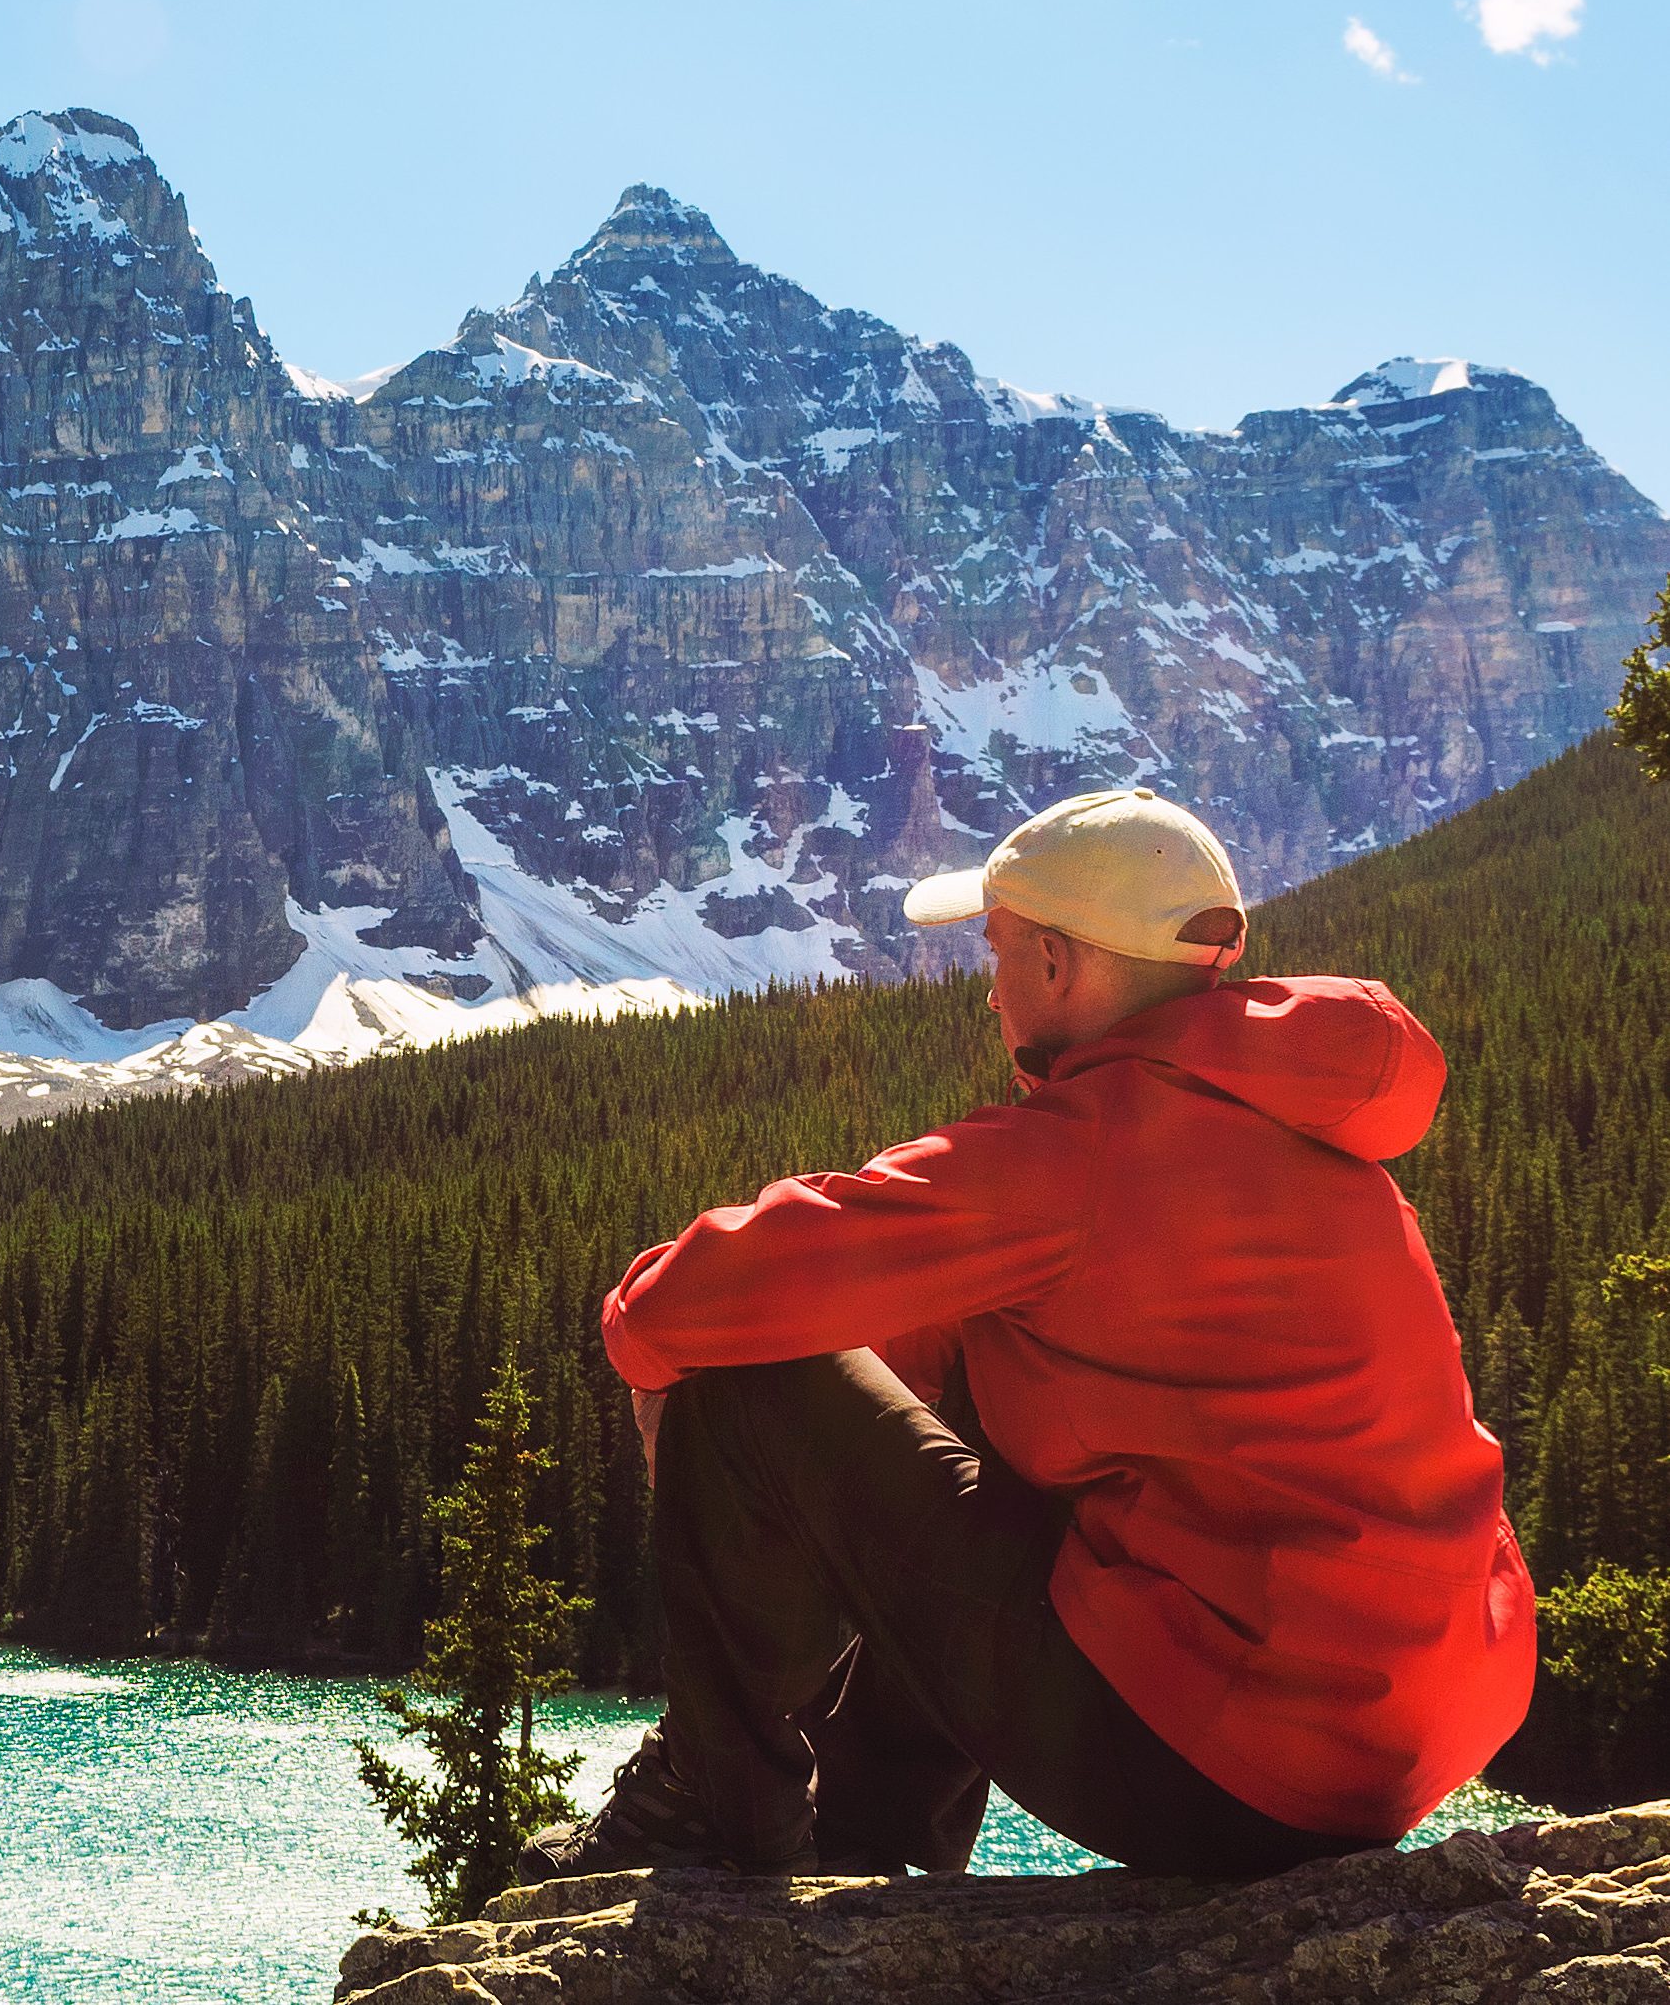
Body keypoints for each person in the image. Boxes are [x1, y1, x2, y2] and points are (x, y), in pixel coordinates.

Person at [524, 785, 1532, 1885]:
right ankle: (872, 1828)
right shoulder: (1312, 1134)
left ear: (1059, 963)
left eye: (999, 952)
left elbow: (704, 1293)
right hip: (1397, 1745)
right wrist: (838, 1477)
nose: (989, 991)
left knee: (737, 1376)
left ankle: (710, 1816)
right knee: (997, 1384)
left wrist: (675, 1389)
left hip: (1232, 1765)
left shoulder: (1081, 1150)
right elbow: (927, 1370)